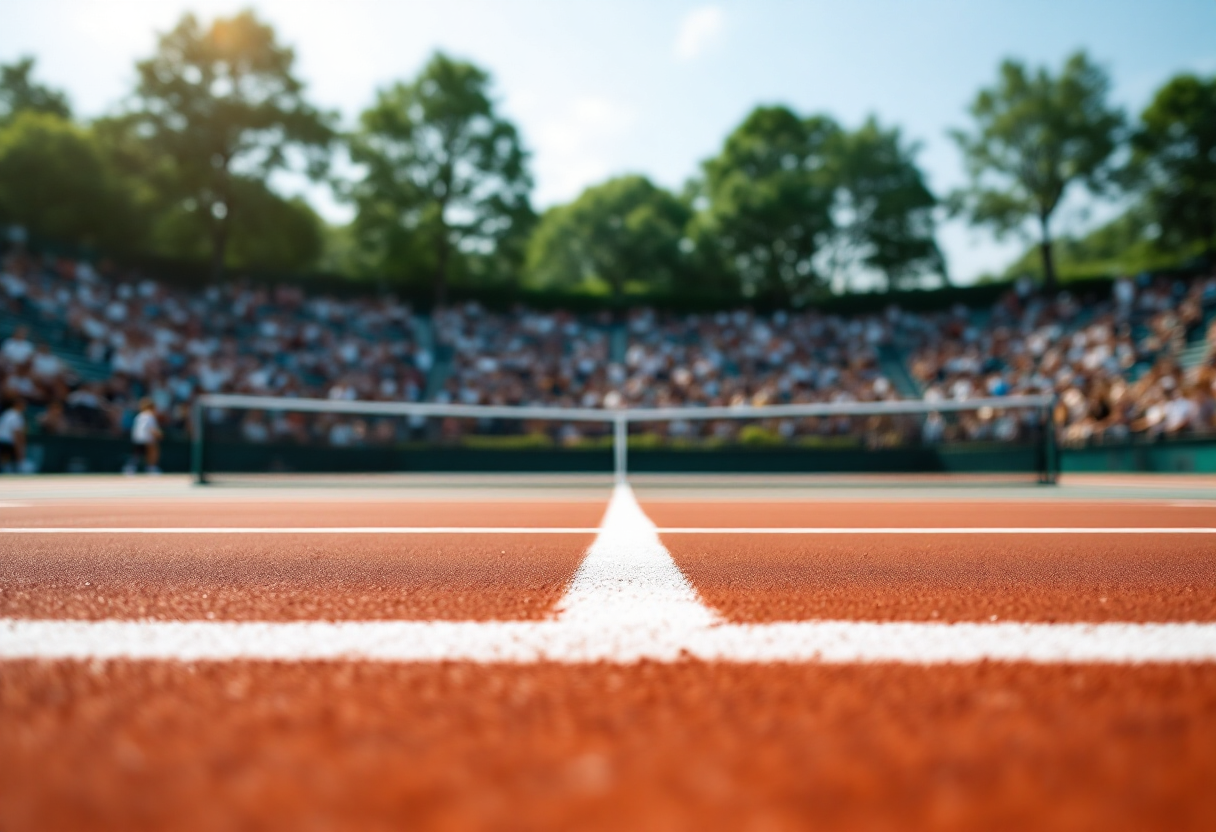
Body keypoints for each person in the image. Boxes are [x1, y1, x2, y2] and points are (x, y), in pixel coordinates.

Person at [125, 398, 162, 475]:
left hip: (136, 439)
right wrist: (159, 435)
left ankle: (130, 468)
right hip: (146, 439)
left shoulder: (139, 416)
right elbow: (152, 429)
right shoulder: (149, 416)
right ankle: (151, 468)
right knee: (153, 450)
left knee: (137, 454)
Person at [0, 398, 26, 473]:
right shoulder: (16, 415)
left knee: (4, 462)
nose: (25, 406)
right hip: (7, 442)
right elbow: (16, 433)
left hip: (3, 441)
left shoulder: (7, 413)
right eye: (23, 404)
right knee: (6, 462)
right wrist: (19, 447)